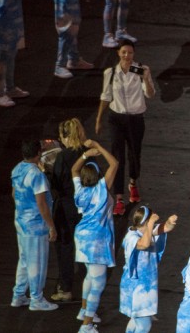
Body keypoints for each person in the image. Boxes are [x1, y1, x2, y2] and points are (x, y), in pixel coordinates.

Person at [96, 39, 155, 216]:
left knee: (134, 154)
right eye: (124, 52)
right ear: (118, 53)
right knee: (117, 157)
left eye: (130, 53)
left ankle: (133, 182)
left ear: (134, 54)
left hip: (136, 119)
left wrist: (146, 79)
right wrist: (99, 119)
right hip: (117, 119)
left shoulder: (141, 70)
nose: (127, 56)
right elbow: (106, 96)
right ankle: (119, 197)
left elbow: (150, 94)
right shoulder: (111, 72)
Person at [71, 139, 119, 332]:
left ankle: (84, 311)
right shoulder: (102, 188)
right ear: (98, 175)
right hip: (97, 240)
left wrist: (85, 155)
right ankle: (86, 325)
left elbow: (74, 170)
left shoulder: (79, 190)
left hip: (82, 237)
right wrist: (98, 147)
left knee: (89, 277)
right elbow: (114, 163)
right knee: (98, 284)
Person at [10, 139, 58, 311]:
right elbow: (42, 204)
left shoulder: (17, 169)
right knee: (37, 262)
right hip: (35, 226)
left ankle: (19, 295)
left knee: (24, 260)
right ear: (38, 154)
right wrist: (51, 226)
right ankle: (36, 299)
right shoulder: (37, 175)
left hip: (21, 222)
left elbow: (14, 193)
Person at [49, 118, 94, 302]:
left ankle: (65, 288)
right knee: (85, 246)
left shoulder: (63, 157)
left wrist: (46, 171)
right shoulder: (88, 153)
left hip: (66, 207)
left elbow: (57, 184)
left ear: (66, 137)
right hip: (85, 206)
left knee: (65, 247)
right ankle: (89, 284)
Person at [120, 206, 178, 332]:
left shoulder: (147, 231)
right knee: (144, 325)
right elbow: (143, 244)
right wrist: (151, 223)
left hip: (145, 286)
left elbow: (165, 228)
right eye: (151, 219)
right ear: (146, 221)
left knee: (136, 322)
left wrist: (170, 222)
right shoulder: (131, 237)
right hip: (135, 287)